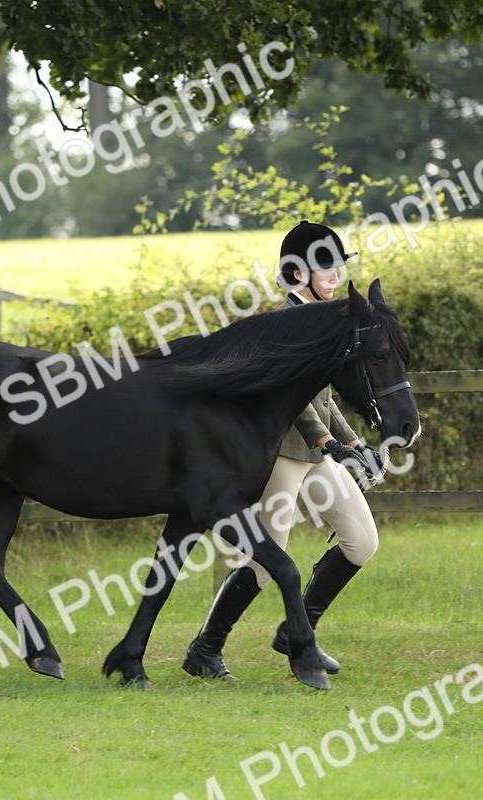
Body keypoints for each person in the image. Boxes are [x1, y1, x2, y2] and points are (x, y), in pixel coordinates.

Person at [183, 220, 384, 681]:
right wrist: (328, 442)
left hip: (317, 455)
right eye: (326, 268)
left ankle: (298, 632)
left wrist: (353, 443)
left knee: (362, 541)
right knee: (265, 561)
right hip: (282, 456)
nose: (335, 277)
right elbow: (292, 403)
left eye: (337, 267)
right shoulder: (284, 324)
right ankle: (204, 650)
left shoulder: (326, 322)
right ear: (298, 274)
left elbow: (325, 399)